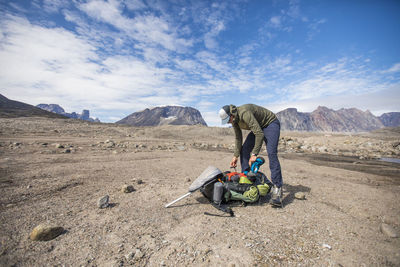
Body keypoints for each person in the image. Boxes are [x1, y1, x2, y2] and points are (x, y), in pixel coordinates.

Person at [218, 104, 283, 207]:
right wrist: (235, 156)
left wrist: (254, 154)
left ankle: (277, 189)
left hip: (270, 124)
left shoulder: (244, 113)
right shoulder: (234, 120)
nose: (229, 122)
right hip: (259, 127)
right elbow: (238, 138)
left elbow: (259, 134)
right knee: (244, 150)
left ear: (231, 115)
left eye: (228, 120)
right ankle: (247, 177)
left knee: (271, 153)